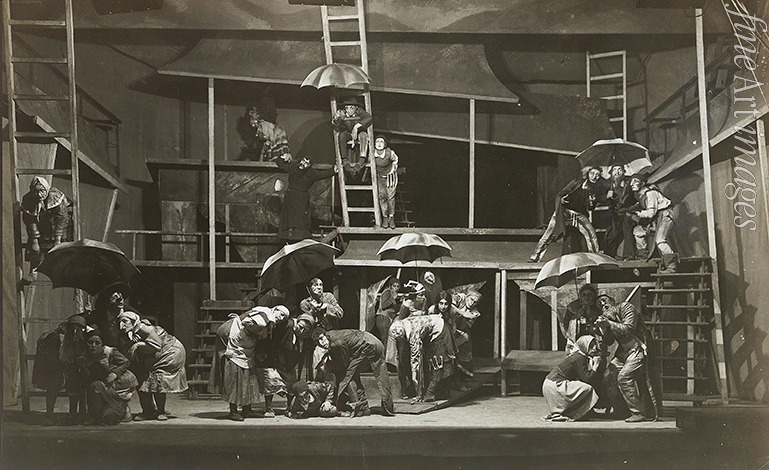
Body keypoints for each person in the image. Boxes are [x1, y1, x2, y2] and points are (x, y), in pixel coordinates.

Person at [209, 306, 290, 421]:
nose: (281, 318)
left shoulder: (269, 319)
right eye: (281, 314)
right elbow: (247, 323)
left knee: (248, 376)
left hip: (245, 345)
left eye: (284, 318)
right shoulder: (266, 314)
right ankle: (233, 411)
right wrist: (261, 329)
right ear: (275, 309)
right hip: (234, 338)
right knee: (235, 375)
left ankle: (247, 409)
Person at [594, 294, 660, 422]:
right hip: (624, 351)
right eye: (599, 305)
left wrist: (609, 323)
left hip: (638, 348)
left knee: (624, 377)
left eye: (604, 300)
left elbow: (629, 328)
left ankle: (638, 412)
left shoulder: (625, 307)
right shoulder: (607, 318)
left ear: (612, 301)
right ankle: (621, 411)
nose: (602, 304)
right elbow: (609, 341)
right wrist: (603, 329)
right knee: (608, 377)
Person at [117, 311, 188, 421]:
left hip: (169, 354)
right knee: (146, 381)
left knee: (157, 381)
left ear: (133, 321)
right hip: (157, 355)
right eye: (120, 322)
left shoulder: (144, 328)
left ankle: (160, 411)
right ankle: (149, 410)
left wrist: (138, 345)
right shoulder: (134, 331)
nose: (122, 325)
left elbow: (156, 345)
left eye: (125, 321)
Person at [314, 329, 395, 417]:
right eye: (318, 342)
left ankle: (360, 408)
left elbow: (344, 363)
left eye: (321, 338)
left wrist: (332, 365)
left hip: (367, 345)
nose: (321, 343)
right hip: (374, 341)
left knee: (348, 375)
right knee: (381, 376)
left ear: (325, 335)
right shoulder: (333, 335)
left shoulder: (335, 344)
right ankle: (386, 408)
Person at [529, 166, 601, 262]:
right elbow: (560, 194)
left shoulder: (595, 190)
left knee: (591, 233)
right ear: (588, 173)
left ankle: (595, 258)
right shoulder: (576, 182)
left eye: (597, 175)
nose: (594, 177)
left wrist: (592, 202)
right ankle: (535, 257)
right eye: (592, 173)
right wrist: (562, 200)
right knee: (549, 234)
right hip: (565, 212)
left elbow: (590, 208)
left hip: (578, 215)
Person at [31, 314, 89, 425]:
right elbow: (51, 359)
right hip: (55, 367)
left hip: (72, 367)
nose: (75, 331)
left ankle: (76, 414)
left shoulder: (83, 336)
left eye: (79, 329)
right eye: (73, 328)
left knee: (79, 379)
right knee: (54, 382)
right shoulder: (55, 337)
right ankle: (49, 415)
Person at [388, 313, 455, 402]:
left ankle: (430, 393)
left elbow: (416, 358)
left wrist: (414, 376)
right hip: (432, 332)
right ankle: (428, 391)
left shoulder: (412, 333)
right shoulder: (403, 324)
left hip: (440, 331)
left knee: (437, 362)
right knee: (430, 361)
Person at [276, 154, 337, 242]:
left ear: (309, 165)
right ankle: (288, 240)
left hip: (301, 200)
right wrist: (282, 157)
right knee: (289, 221)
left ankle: (298, 240)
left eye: (307, 163)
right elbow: (281, 164)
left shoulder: (311, 173)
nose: (303, 163)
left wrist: (334, 169)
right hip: (290, 198)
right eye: (303, 161)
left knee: (299, 221)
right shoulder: (293, 168)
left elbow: (323, 174)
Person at [542, 335, 604, 422]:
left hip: (550, 383)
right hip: (555, 385)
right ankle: (578, 412)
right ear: (584, 346)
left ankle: (586, 411)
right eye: (590, 346)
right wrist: (596, 365)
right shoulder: (579, 357)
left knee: (581, 386)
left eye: (594, 345)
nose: (594, 348)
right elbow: (587, 379)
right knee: (587, 388)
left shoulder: (580, 355)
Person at [82, 330, 138, 425]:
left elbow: (126, 362)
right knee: (95, 387)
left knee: (109, 417)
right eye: (90, 342)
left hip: (119, 383)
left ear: (102, 345)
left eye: (97, 343)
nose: (93, 346)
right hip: (102, 383)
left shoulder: (110, 351)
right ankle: (96, 414)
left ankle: (124, 409)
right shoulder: (86, 355)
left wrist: (115, 373)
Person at [627, 174, 679, 273]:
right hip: (657, 218)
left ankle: (672, 265)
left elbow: (651, 213)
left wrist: (638, 213)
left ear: (642, 183)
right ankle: (643, 256)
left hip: (665, 216)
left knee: (660, 240)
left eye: (635, 181)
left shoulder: (651, 193)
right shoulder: (641, 195)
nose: (631, 184)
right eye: (631, 181)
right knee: (638, 231)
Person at [21, 176, 70, 270]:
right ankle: (34, 271)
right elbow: (30, 220)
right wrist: (35, 241)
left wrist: (57, 240)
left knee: (61, 255)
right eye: (36, 191)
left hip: (57, 229)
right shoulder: (28, 199)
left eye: (42, 191)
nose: (39, 195)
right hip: (41, 230)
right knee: (35, 252)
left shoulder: (55, 197)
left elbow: (61, 218)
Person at [600, 165, 637, 260]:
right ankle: (609, 256)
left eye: (620, 169)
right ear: (611, 173)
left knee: (627, 230)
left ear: (624, 172)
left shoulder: (629, 182)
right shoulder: (606, 184)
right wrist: (606, 196)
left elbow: (638, 188)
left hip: (627, 212)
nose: (617, 172)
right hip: (614, 214)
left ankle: (629, 255)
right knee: (612, 235)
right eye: (615, 170)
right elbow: (599, 197)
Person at [331, 97, 372, 177]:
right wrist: (336, 119)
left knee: (364, 135)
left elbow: (368, 117)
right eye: (347, 108)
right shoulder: (343, 113)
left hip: (359, 133)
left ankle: (361, 160)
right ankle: (344, 160)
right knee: (342, 135)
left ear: (356, 108)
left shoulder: (359, 111)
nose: (349, 110)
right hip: (349, 134)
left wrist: (357, 126)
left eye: (351, 108)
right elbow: (336, 124)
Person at [88, 282, 134, 352]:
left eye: (121, 297)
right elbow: (80, 319)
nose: (120, 300)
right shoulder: (99, 315)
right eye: (115, 298)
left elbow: (144, 320)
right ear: (106, 302)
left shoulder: (130, 312)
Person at [559, 284, 602, 354]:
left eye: (590, 294)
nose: (587, 297)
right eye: (584, 295)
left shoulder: (599, 307)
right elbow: (565, 325)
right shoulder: (573, 307)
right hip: (577, 339)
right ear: (580, 297)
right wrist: (576, 317)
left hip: (594, 340)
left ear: (594, 296)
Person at [372, 135, 399, 228]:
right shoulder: (372, 153)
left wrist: (393, 169)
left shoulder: (389, 152)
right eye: (377, 141)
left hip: (390, 176)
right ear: (374, 144)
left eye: (381, 142)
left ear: (385, 144)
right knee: (382, 197)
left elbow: (395, 159)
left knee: (390, 197)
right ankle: (385, 218)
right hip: (380, 177)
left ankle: (391, 218)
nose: (379, 143)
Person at [374, 277, 403, 348]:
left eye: (398, 286)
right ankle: (383, 354)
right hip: (383, 317)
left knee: (387, 339)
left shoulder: (393, 294)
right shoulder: (388, 292)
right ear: (390, 286)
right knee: (385, 339)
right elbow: (384, 305)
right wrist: (393, 298)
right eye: (394, 286)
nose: (396, 288)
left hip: (387, 318)